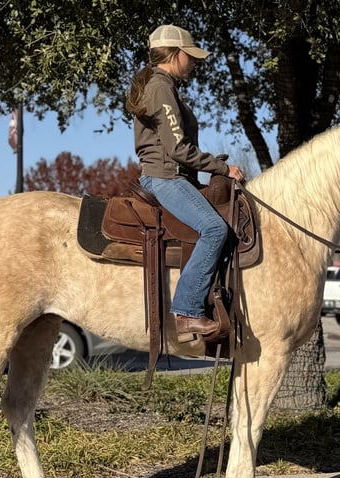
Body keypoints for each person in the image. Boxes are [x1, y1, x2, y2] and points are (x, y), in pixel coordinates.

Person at [126, 24, 245, 341]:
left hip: (170, 174)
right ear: (175, 54)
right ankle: (188, 311)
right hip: (165, 177)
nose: (192, 63)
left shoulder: (161, 85)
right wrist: (222, 167)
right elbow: (177, 149)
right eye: (189, 56)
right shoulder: (161, 88)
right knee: (215, 229)